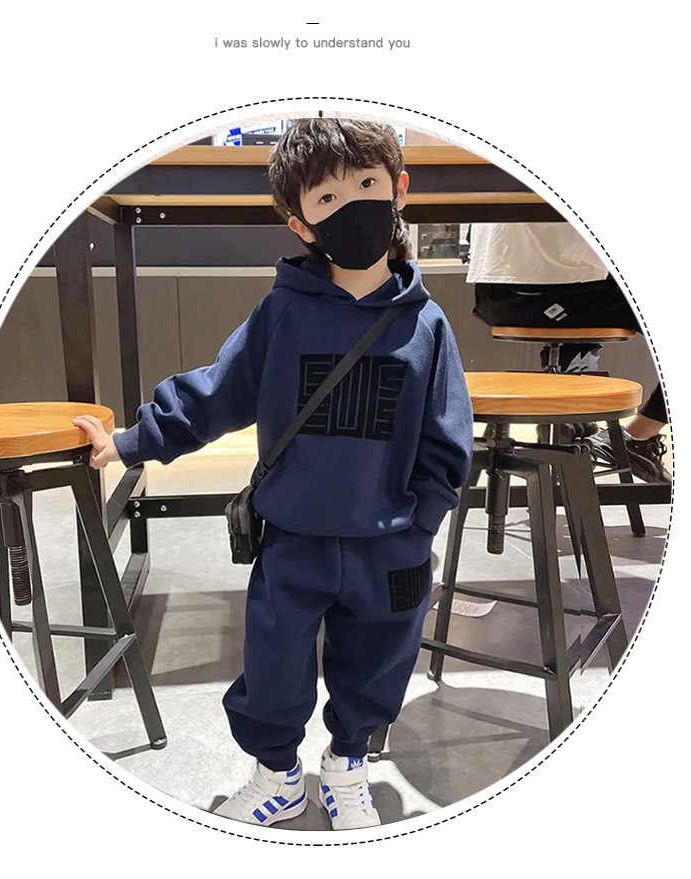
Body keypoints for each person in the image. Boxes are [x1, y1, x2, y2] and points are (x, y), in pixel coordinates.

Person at [73, 119, 473, 830]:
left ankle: (347, 766)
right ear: (301, 223)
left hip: (391, 544)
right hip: (294, 537)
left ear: (398, 189)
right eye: (328, 198)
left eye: (368, 184)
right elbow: (215, 392)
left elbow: (447, 437)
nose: (352, 204)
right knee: (272, 665)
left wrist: (421, 521)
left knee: (379, 664)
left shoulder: (428, 326)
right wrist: (132, 443)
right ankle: (278, 776)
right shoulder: (283, 313)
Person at [466, 223, 670, 482]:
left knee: (579, 265)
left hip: (495, 296)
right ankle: (638, 435)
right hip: (574, 293)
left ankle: (571, 409)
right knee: (585, 272)